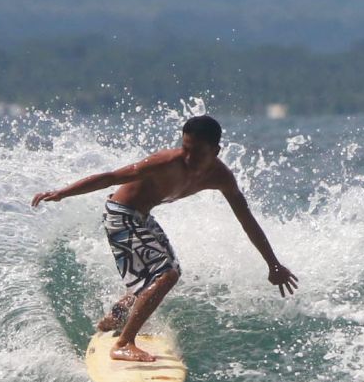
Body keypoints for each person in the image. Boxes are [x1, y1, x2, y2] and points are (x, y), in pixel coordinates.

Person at [32, 115, 299, 362]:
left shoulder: (221, 177)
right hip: (121, 214)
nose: (189, 157)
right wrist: (62, 193)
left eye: (198, 152)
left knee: (171, 271)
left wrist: (273, 264)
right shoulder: (166, 162)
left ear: (216, 151)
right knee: (165, 275)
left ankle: (117, 316)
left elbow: (247, 220)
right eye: (185, 148)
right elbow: (112, 177)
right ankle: (124, 343)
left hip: (141, 217)